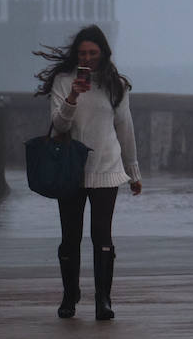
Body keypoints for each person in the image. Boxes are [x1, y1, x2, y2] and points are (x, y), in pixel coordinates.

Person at [35, 24, 142, 321]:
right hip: (70, 169)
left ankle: (103, 300)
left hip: (106, 167)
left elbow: (125, 128)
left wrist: (134, 172)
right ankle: (70, 296)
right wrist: (72, 98)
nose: (87, 58)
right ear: (75, 54)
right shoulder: (63, 81)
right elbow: (59, 126)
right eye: (82, 52)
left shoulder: (116, 84)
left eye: (93, 52)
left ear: (103, 53)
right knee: (70, 236)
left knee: (102, 236)